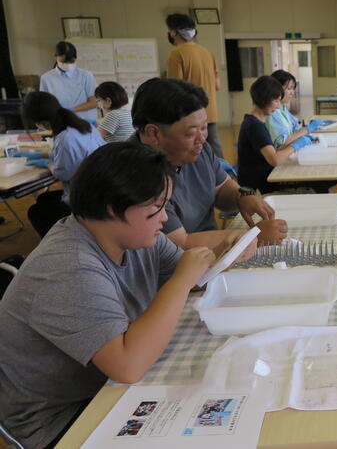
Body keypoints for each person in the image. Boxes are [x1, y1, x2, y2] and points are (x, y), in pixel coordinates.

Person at [0, 142, 218, 449]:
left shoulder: (137, 236)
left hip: (106, 385)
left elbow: (194, 278)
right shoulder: (68, 265)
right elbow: (128, 366)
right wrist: (183, 280)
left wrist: (204, 267)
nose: (164, 218)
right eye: (156, 207)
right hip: (59, 419)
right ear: (113, 208)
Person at [131, 78, 287, 249]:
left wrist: (242, 197)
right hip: (182, 260)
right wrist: (251, 236)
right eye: (191, 133)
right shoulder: (136, 174)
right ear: (154, 134)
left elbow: (221, 188)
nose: (202, 139)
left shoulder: (197, 150)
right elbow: (180, 243)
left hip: (211, 253)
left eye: (204, 127)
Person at [22, 91, 106, 238]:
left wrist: (48, 164)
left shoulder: (65, 137)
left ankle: (65, 241)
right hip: (102, 193)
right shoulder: (83, 125)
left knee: (35, 211)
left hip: (87, 202)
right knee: (43, 199)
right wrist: (45, 155)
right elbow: (73, 154)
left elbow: (63, 173)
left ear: (42, 122)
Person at [165, 13, 223, 159]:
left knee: (191, 152)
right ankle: (225, 172)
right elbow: (217, 85)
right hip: (209, 111)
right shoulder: (207, 53)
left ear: (173, 32)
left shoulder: (176, 54)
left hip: (188, 113)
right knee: (214, 150)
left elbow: (174, 89)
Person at [237, 75, 309, 193]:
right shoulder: (255, 126)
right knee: (316, 184)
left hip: (266, 177)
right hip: (260, 184)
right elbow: (275, 159)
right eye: (276, 101)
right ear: (264, 99)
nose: (278, 105)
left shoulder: (256, 121)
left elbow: (273, 151)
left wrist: (297, 142)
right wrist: (295, 145)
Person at [38, 41, 98, 122]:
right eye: (64, 62)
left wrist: (71, 110)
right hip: (61, 121)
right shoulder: (46, 78)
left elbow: (94, 102)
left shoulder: (86, 75)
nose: (68, 64)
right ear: (55, 56)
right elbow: (44, 104)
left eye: (71, 62)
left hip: (85, 121)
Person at [266, 69, 324, 149]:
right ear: (276, 89)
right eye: (289, 89)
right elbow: (280, 144)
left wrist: (307, 128)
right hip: (283, 152)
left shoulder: (282, 107)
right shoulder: (272, 112)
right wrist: (306, 130)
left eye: (293, 89)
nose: (292, 93)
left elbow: (294, 126)